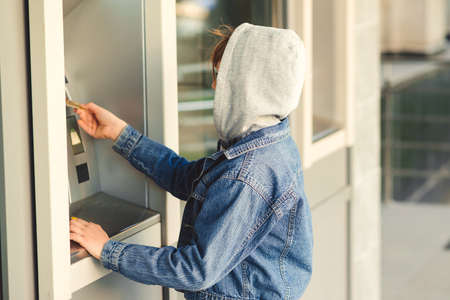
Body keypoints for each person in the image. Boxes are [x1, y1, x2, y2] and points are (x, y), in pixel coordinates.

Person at [70, 22, 313, 300]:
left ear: (250, 87)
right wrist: (120, 133)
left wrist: (107, 249)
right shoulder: (270, 144)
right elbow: (185, 178)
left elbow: (195, 270)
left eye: (222, 77)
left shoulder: (247, 174)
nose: (213, 85)